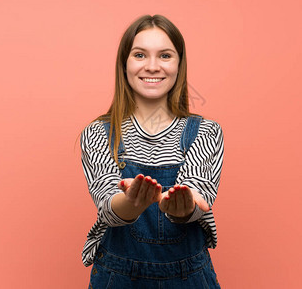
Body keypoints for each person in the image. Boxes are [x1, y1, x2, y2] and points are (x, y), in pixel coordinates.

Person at [80, 14, 224, 288]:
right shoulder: (99, 133)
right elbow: (107, 204)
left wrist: (184, 207)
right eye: (140, 55)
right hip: (117, 277)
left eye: (165, 56)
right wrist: (132, 203)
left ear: (179, 65)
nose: (153, 66)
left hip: (189, 278)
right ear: (124, 64)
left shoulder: (206, 131)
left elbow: (198, 194)